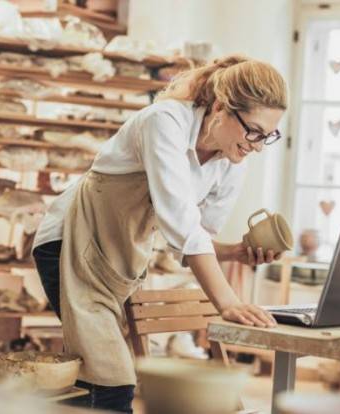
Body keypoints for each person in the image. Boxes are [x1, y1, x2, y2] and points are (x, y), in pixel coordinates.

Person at [32, 54, 287, 413]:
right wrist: (227, 302)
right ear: (220, 107)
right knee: (110, 381)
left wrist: (234, 252)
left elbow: (192, 237)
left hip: (116, 264)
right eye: (254, 131)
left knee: (97, 377)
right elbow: (182, 225)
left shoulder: (231, 162)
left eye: (268, 136)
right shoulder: (164, 122)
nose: (257, 145)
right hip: (68, 245)